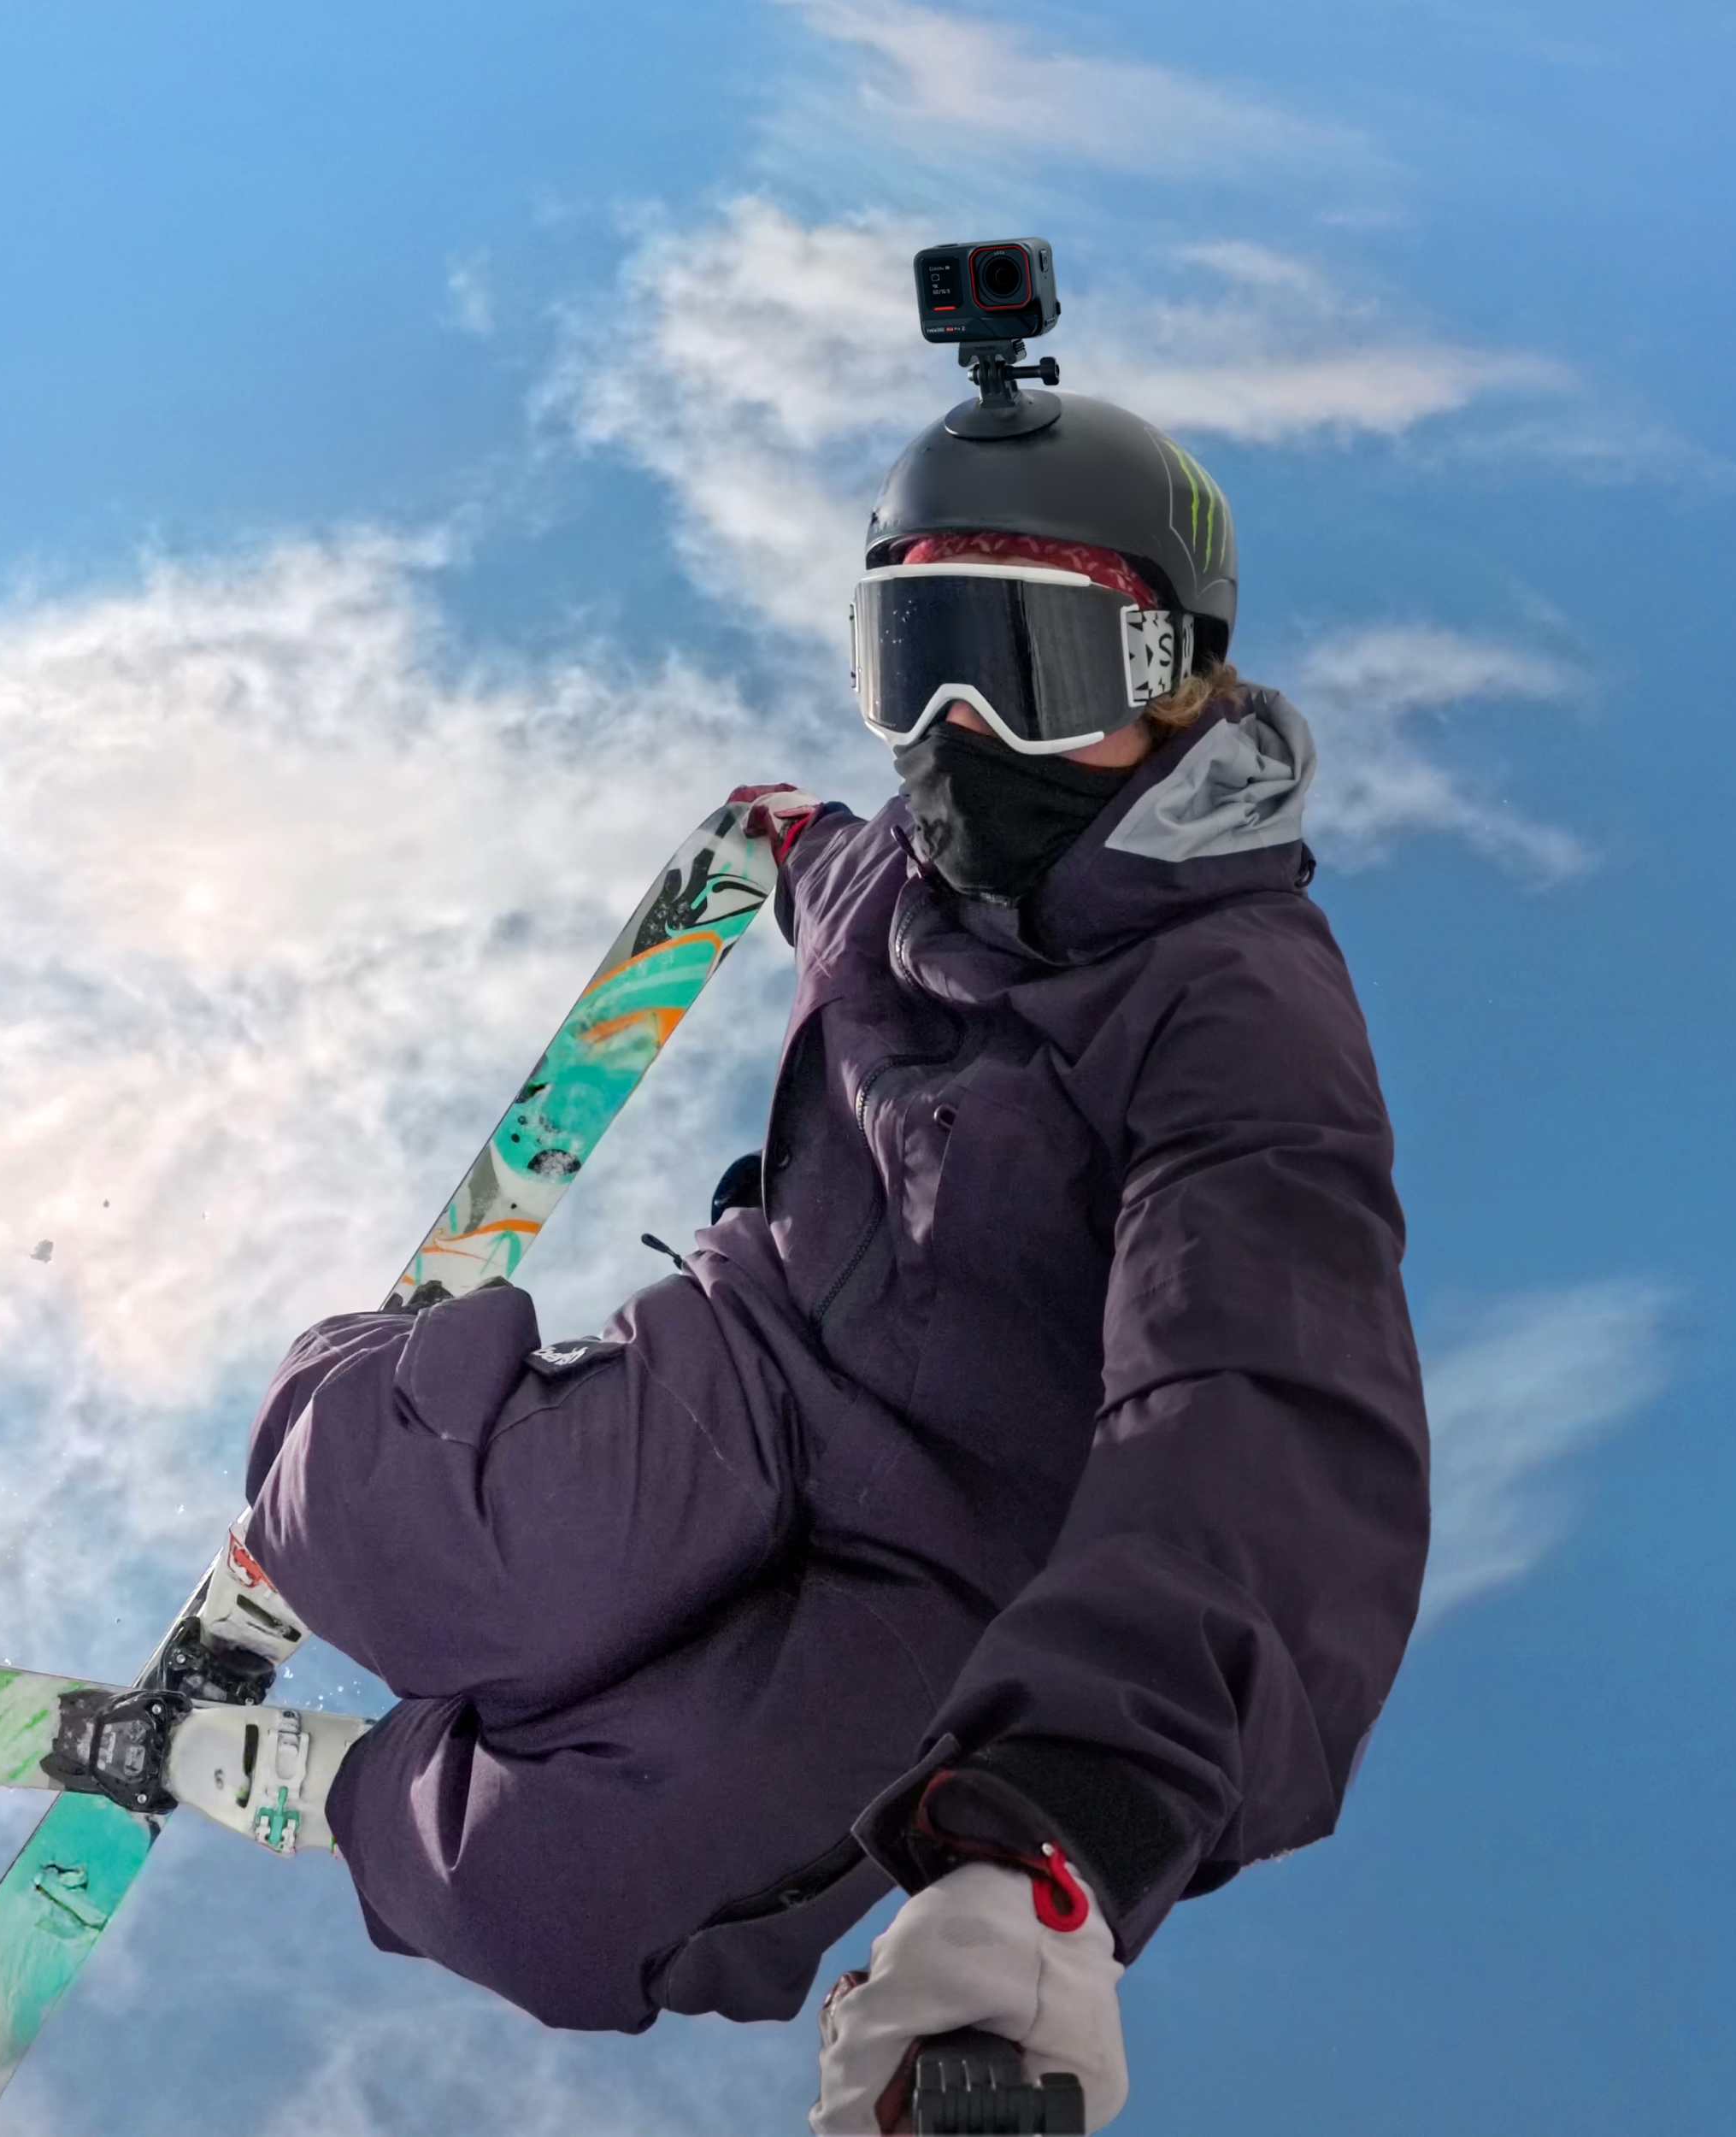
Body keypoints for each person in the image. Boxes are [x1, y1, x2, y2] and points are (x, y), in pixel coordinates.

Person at [160, 387, 1433, 2132]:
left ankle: (344, 1786)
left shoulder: (1238, 1004)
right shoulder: (913, 870)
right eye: (916, 657)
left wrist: (1052, 1846)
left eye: (1036, 664)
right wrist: (781, 841)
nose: (962, 726)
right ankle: (361, 1445)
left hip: (973, 1554)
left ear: (1175, 682)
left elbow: (1263, 1398)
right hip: (770, 1365)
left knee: (570, 1905)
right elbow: (845, 875)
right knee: (383, 1520)